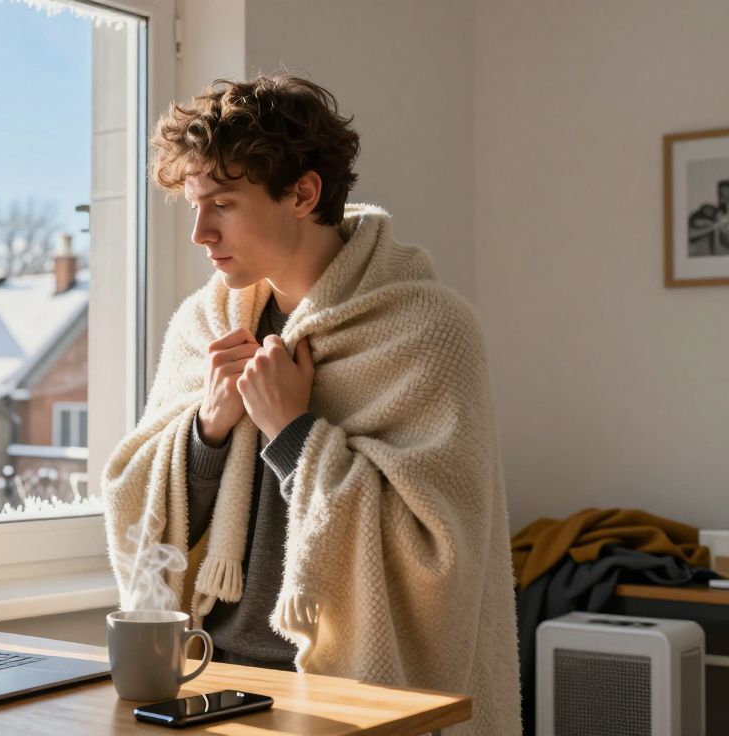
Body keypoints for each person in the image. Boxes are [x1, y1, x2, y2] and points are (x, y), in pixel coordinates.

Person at [102, 75, 520, 735]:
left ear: (303, 193)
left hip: (347, 696)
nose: (201, 233)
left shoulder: (431, 330)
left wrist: (293, 431)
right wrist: (208, 431)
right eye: (192, 207)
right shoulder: (203, 324)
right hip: (206, 681)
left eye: (223, 203)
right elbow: (133, 503)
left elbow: (441, 552)